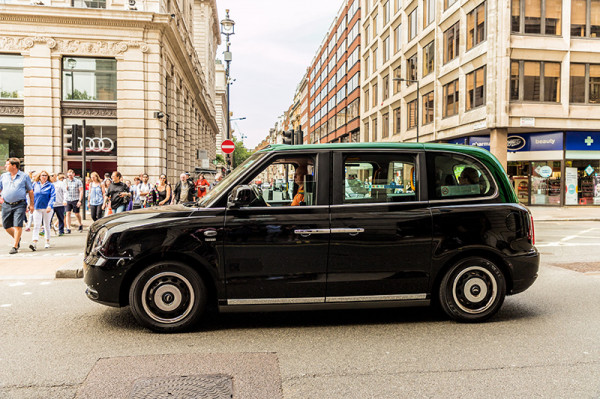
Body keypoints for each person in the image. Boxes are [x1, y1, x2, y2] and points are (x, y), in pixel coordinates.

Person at [0, 158, 34, 254]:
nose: (5, 166)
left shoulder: (24, 176)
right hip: (6, 204)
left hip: (20, 204)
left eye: (7, 164)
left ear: (14, 166)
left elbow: (31, 191)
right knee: (6, 225)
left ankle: (15, 246)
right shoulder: (3, 176)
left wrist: (32, 205)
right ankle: (17, 238)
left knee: (17, 225)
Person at [29, 170, 56, 251]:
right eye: (42, 175)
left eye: (45, 175)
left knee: (46, 225)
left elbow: (53, 196)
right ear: (39, 176)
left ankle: (47, 241)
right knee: (36, 225)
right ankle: (34, 243)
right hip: (37, 207)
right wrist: (30, 205)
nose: (44, 177)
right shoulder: (35, 184)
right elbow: (30, 195)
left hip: (47, 208)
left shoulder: (50, 185)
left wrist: (50, 206)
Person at [64, 169, 84, 233]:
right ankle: (68, 228)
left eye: (71, 175)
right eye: (69, 175)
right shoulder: (65, 181)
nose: (70, 176)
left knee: (76, 213)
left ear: (73, 174)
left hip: (75, 199)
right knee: (68, 213)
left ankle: (80, 224)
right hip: (68, 199)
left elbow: (81, 191)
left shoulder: (78, 181)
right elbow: (63, 190)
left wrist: (80, 200)